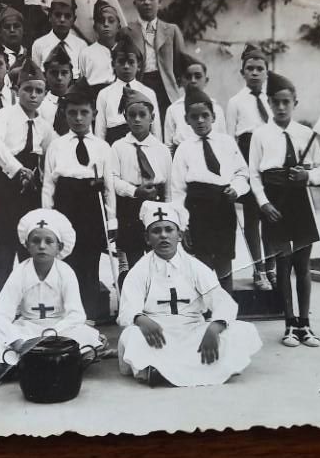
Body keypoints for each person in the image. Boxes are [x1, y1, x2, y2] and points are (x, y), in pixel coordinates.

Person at [117, 201, 262, 387]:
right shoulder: (139, 271)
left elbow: (222, 301)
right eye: (156, 231)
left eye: (169, 230)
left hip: (192, 331)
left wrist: (214, 328)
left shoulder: (195, 267)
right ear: (147, 238)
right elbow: (127, 310)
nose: (163, 236)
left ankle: (160, 372)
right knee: (131, 335)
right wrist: (141, 320)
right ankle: (208, 369)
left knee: (243, 330)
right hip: (158, 334)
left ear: (180, 235)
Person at [248, 70, 320, 348]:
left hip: (299, 202)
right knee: (282, 266)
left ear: (295, 102)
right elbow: (253, 176)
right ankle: (289, 325)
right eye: (276, 102)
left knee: (302, 266)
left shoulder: (306, 134)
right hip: (275, 204)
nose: (281, 107)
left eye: (286, 102)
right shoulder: (260, 135)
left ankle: (305, 324)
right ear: (268, 103)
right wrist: (264, 203)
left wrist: (309, 177)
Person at [0, 209, 103, 375]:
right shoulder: (20, 272)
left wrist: (52, 334)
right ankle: (51, 362)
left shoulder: (65, 272)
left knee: (87, 336)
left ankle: (23, 364)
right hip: (27, 329)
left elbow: (76, 315)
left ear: (59, 247)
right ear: (27, 245)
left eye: (49, 241)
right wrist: (17, 340)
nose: (42, 246)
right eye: (36, 241)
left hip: (59, 330)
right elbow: (1, 313)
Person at [42, 78, 117, 323]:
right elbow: (48, 185)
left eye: (84, 113)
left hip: (90, 206)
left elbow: (109, 188)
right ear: (65, 114)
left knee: (90, 261)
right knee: (66, 261)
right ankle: (67, 314)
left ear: (93, 114)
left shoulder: (103, 147)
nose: (78, 118)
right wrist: (48, 218)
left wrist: (112, 219)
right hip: (66, 204)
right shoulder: (56, 146)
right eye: (72, 113)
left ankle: (89, 315)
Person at [0, 58, 55, 303]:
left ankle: (30, 303)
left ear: (45, 94)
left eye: (38, 91)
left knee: (29, 247)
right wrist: (16, 168)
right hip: (7, 188)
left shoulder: (44, 125)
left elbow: (53, 151)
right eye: (27, 89)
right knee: (2, 251)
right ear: (16, 90)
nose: (33, 95)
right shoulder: (5, 115)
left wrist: (41, 174)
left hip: (31, 191)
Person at [171, 86, 249, 293]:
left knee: (224, 261)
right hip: (198, 208)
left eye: (205, 115)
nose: (200, 121)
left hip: (223, 205)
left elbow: (242, 173)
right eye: (194, 117)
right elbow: (178, 190)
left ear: (214, 117)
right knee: (202, 263)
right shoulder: (184, 149)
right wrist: (182, 223)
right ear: (186, 120)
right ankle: (204, 313)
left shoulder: (226, 142)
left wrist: (236, 189)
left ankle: (227, 311)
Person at [225, 43, 274, 291]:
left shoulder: (273, 99)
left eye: (259, 68)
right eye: (250, 68)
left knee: (272, 215)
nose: (254, 73)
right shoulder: (235, 102)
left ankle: (273, 266)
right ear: (242, 72)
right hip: (247, 156)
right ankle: (259, 270)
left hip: (270, 159)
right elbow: (230, 139)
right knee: (253, 217)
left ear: (267, 71)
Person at [110, 87, 170, 273]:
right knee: (132, 255)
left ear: (151, 118)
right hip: (130, 205)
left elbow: (169, 184)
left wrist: (169, 210)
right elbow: (112, 179)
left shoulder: (161, 149)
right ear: (126, 118)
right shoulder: (119, 147)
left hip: (156, 204)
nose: (137, 119)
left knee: (158, 254)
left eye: (142, 114)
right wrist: (134, 191)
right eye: (132, 115)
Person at [126, 0, 186, 114]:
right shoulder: (127, 31)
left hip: (165, 87)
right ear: (135, 3)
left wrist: (174, 84)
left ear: (159, 2)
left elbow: (180, 65)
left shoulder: (171, 30)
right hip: (140, 85)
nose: (147, 2)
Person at [95, 35, 162, 144]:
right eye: (121, 62)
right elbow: (100, 131)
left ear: (138, 65)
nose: (126, 66)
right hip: (114, 147)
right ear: (113, 65)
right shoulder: (104, 94)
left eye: (131, 62)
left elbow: (156, 130)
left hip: (143, 145)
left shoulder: (148, 93)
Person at [163, 52, 227, 155]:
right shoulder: (173, 109)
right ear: (180, 81)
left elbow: (223, 141)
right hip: (184, 158)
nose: (193, 81)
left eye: (198, 76)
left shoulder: (216, 108)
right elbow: (168, 146)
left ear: (206, 80)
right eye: (188, 77)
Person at [30, 0, 86, 78]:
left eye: (67, 16)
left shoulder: (81, 46)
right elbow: (36, 76)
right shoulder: (39, 44)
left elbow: (83, 77)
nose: (62, 20)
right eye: (57, 15)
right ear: (50, 17)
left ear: (73, 20)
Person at [78, 0, 119, 98]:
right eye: (101, 21)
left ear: (118, 25)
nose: (106, 24)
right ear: (95, 27)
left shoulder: (126, 50)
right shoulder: (86, 53)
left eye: (111, 21)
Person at [40, 44, 74, 135]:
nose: (59, 78)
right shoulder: (39, 106)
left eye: (64, 73)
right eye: (54, 73)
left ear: (71, 75)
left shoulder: (78, 104)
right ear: (45, 75)